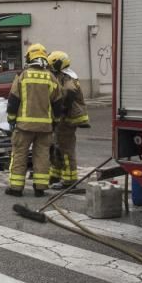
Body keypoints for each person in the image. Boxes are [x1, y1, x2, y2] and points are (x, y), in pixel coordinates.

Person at [5, 44, 63, 197]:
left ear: (30, 57)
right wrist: (55, 121)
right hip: (45, 127)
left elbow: (13, 100)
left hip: (24, 126)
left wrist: (11, 119)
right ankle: (40, 187)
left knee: (19, 155)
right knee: (42, 156)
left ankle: (16, 188)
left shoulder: (22, 76)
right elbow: (57, 103)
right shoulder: (51, 77)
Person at [48, 50, 90, 191]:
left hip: (67, 119)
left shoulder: (67, 76)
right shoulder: (66, 74)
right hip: (65, 119)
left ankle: (69, 181)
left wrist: (62, 107)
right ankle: (56, 175)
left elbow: (70, 91)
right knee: (58, 146)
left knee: (66, 149)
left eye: (53, 64)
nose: (51, 68)